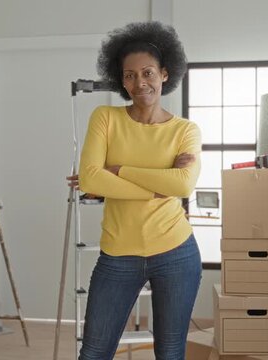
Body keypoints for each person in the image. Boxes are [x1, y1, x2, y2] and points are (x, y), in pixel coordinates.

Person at [66, 21, 203, 360]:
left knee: (171, 352)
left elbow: (183, 185)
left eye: (147, 73)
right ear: (120, 79)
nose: (139, 83)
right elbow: (93, 180)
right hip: (118, 254)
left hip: (176, 252)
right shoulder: (105, 117)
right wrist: (157, 186)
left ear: (165, 74)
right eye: (129, 75)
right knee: (94, 351)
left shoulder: (185, 130)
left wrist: (121, 172)